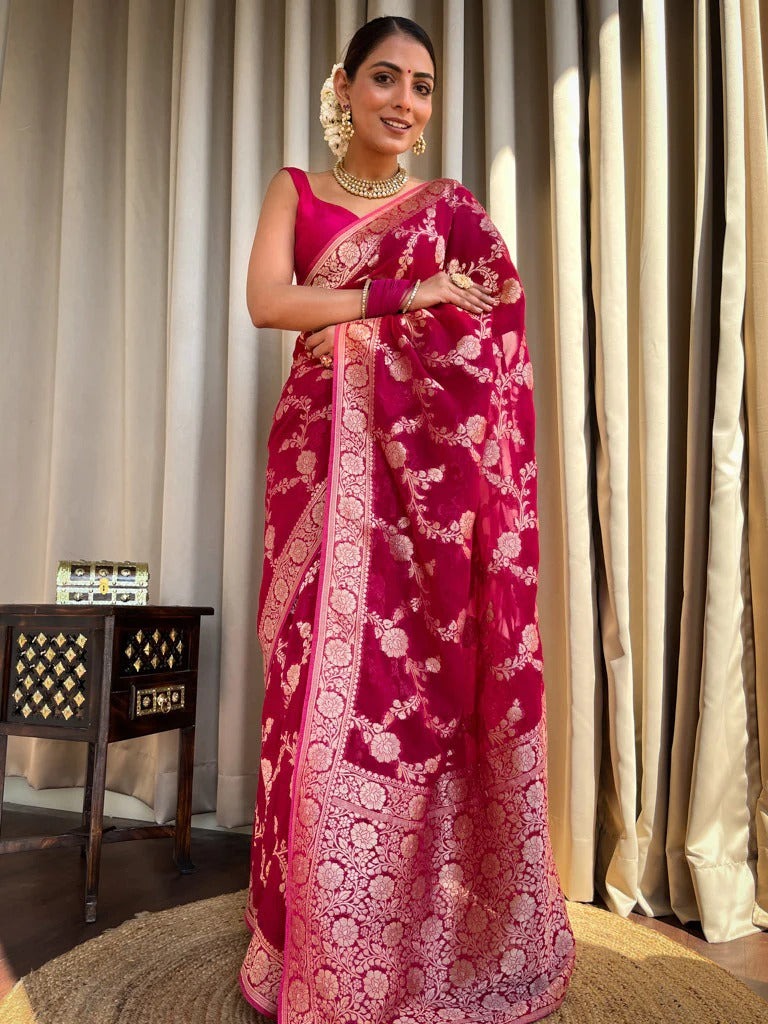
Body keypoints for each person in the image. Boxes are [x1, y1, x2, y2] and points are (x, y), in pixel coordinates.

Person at [239, 16, 574, 1023]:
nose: (404, 100)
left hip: (425, 503)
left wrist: (392, 318)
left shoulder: (453, 211)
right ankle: (317, 943)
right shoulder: (296, 190)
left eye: (422, 86)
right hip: (318, 473)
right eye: (385, 78)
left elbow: (493, 324)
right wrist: (402, 294)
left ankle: (429, 939)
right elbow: (270, 303)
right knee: (312, 696)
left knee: (414, 694)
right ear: (344, 87)